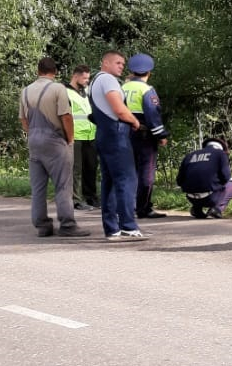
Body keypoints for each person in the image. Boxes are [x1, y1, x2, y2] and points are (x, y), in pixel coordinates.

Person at [19, 57, 88, 238]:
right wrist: (70, 139)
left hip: (34, 140)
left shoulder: (25, 91)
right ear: (55, 72)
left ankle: (42, 225)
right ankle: (67, 224)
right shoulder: (58, 88)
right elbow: (66, 116)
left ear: (38, 71)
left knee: (38, 187)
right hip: (55, 142)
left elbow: (23, 120)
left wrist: (34, 133)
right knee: (63, 184)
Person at [89, 50, 147, 240]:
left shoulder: (95, 81)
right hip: (116, 134)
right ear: (105, 63)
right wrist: (135, 122)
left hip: (104, 134)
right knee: (127, 180)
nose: (122, 66)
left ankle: (112, 228)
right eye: (118, 63)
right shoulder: (108, 80)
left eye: (123, 64)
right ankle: (128, 226)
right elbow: (119, 109)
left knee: (110, 183)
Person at [121, 53, 169, 220]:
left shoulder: (122, 87)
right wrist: (161, 135)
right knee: (146, 173)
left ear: (132, 71)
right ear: (149, 72)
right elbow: (153, 116)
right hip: (144, 136)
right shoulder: (147, 90)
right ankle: (144, 208)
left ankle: (128, 206)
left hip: (125, 134)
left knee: (129, 172)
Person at [176, 137, 232, 219]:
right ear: (222, 148)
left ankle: (197, 209)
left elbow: (179, 181)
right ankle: (217, 209)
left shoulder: (189, 155)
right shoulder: (220, 154)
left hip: (191, 198)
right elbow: (226, 176)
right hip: (211, 198)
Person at [65, 64, 99, 210]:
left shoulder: (86, 91)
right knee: (76, 170)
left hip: (90, 135)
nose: (87, 80)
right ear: (75, 76)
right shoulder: (65, 92)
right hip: (76, 136)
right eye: (84, 78)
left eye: (88, 78)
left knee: (91, 168)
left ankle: (91, 198)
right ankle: (76, 200)